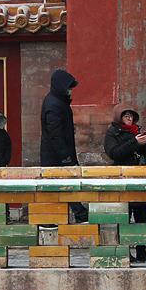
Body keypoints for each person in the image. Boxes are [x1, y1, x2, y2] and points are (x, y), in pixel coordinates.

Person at [104, 104, 146, 264]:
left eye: (131, 116)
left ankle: (141, 251)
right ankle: (125, 252)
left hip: (140, 176)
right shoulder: (113, 132)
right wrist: (135, 143)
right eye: (126, 116)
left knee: (141, 216)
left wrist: (144, 142)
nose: (129, 119)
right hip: (123, 178)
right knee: (124, 216)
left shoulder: (137, 130)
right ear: (119, 117)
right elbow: (114, 153)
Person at [40, 69, 87, 223]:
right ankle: (78, 214)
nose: (70, 91)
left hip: (58, 155)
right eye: (68, 87)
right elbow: (55, 134)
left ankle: (74, 215)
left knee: (64, 186)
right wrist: (66, 157)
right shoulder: (54, 104)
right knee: (64, 186)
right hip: (57, 157)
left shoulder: (57, 102)